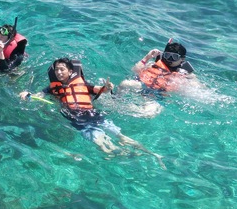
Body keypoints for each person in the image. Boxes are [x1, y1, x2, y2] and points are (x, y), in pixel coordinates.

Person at [21, 59, 151, 157]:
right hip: (76, 118)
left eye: (62, 69)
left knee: (120, 136)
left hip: (92, 114)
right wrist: (27, 94)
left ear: (70, 71)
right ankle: (129, 155)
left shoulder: (82, 84)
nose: (59, 72)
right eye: (57, 70)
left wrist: (107, 87)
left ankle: (146, 152)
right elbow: (37, 96)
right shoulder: (52, 88)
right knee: (101, 144)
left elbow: (100, 90)